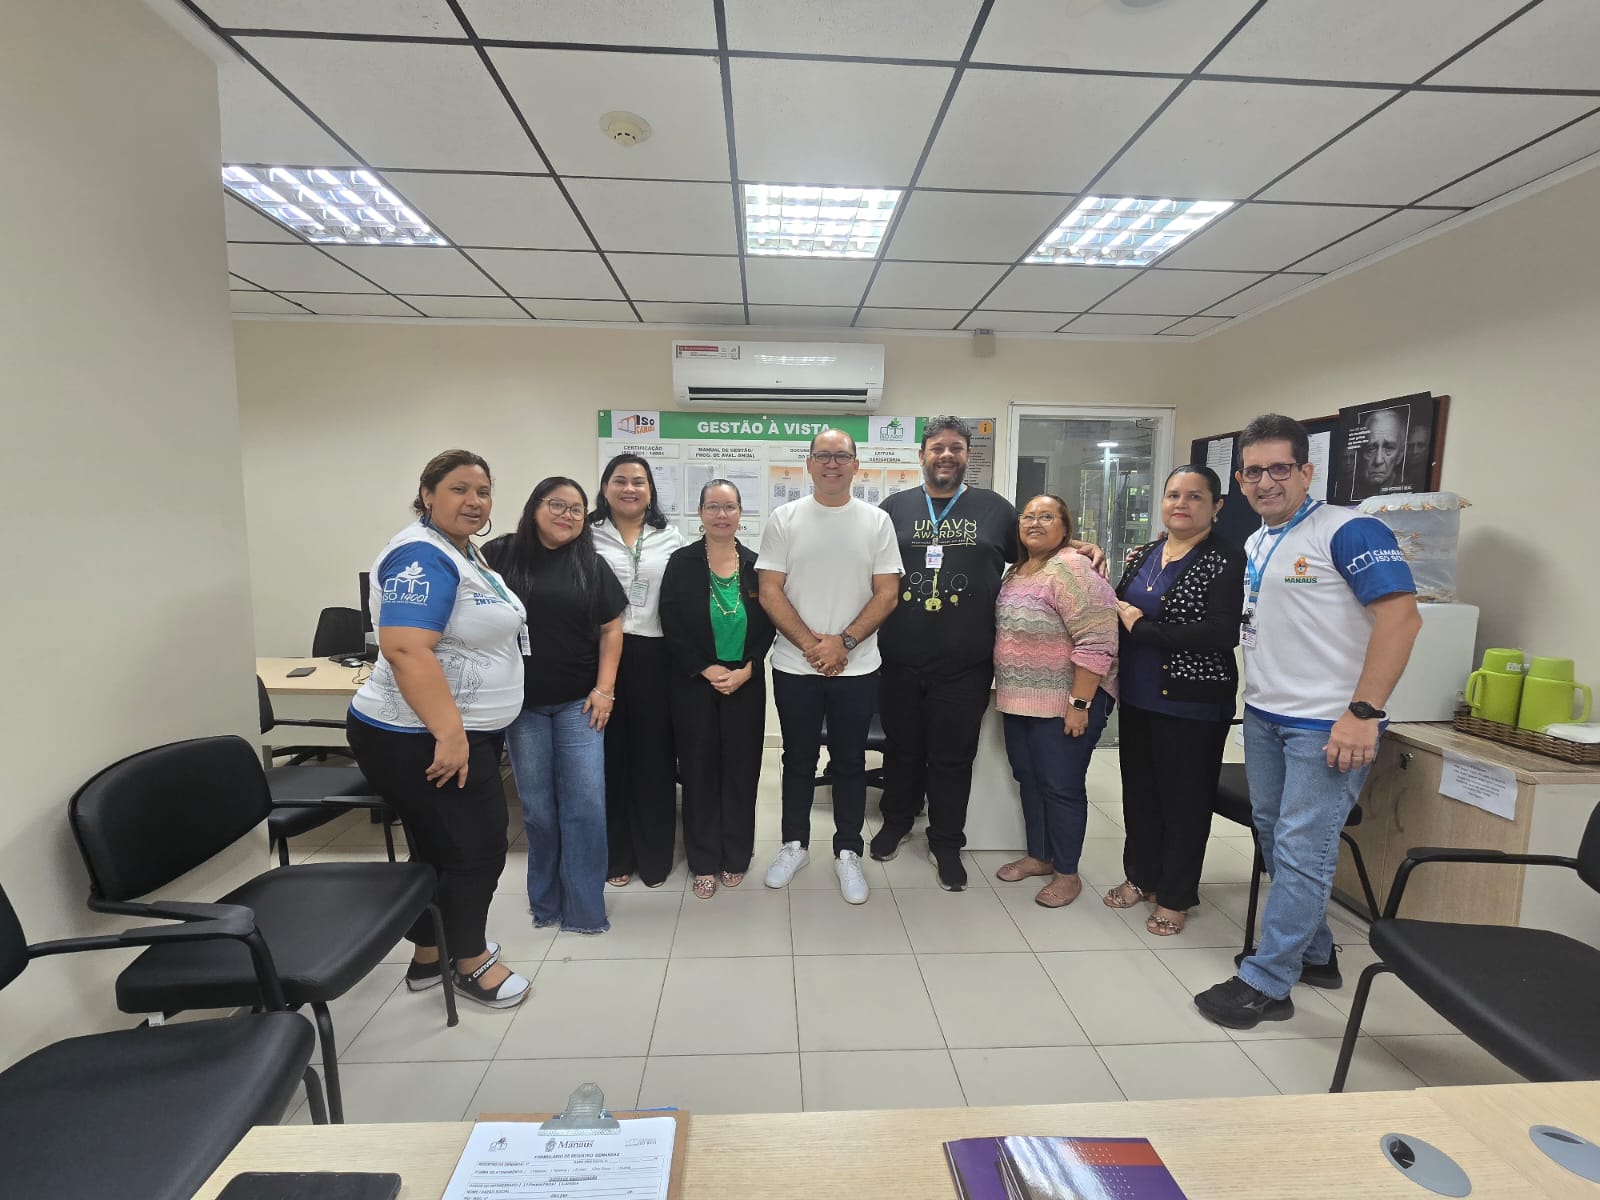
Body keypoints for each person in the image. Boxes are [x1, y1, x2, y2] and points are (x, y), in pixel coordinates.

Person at [1194, 413, 1420, 1030]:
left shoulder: (1348, 530)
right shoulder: (1257, 540)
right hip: (1266, 714)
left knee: (1302, 848)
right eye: (1253, 472)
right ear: (1240, 480)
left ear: (1306, 471)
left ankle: (1267, 981)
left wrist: (1363, 712)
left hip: (1327, 724)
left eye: (1279, 469)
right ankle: (1315, 953)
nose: (1265, 482)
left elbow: (1402, 619)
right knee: (1274, 836)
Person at [872, 416, 1109, 890]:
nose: (946, 455)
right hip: (899, 659)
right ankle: (896, 822)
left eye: (956, 448)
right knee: (901, 750)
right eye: (937, 447)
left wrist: (1081, 545)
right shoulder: (893, 508)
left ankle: (945, 841)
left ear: (967, 456)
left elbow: (1039, 544)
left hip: (965, 666)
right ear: (922, 455)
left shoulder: (995, 510)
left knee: (953, 758)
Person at [345, 449, 531, 1009]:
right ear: (427, 494)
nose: (474, 501)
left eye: (483, 491)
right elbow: (405, 648)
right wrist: (450, 736)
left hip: (447, 732)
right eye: (458, 489)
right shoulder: (421, 556)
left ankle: (430, 954)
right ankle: (470, 961)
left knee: (437, 848)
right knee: (479, 850)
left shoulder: (461, 550)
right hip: (423, 736)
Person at [757, 428, 901, 904]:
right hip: (794, 666)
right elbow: (769, 590)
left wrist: (844, 643)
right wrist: (814, 647)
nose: (832, 463)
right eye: (823, 455)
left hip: (857, 667)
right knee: (797, 759)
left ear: (856, 464)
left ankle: (848, 850)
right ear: (809, 463)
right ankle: (794, 845)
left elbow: (887, 593)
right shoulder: (785, 518)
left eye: (841, 456)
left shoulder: (876, 521)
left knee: (850, 761)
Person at [1108, 465, 1245, 936]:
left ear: (1216, 506)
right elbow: (1118, 605)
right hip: (1139, 696)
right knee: (1139, 794)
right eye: (1172, 495)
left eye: (1194, 496)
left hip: (1192, 704)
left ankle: (1175, 894)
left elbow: (1221, 632)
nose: (1181, 504)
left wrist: (1143, 629)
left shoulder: (1226, 558)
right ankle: (1141, 876)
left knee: (1184, 801)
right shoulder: (1146, 553)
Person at [484, 478, 625, 935]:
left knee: (585, 805)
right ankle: (545, 903)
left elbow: (612, 629)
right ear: (535, 507)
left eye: (577, 509)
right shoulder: (500, 555)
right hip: (521, 705)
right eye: (557, 505)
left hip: (579, 705)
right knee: (539, 810)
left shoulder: (591, 564)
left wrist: (605, 690)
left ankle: (585, 910)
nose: (567, 515)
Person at [993, 494, 1119, 909]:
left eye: (1047, 516)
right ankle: (1040, 856)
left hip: (1067, 703)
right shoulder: (1018, 570)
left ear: (1065, 527)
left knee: (1061, 787)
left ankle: (1067, 873)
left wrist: (1079, 705)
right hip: (1020, 701)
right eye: (1028, 516)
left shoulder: (1073, 568)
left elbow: (1098, 641)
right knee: (1029, 780)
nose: (1034, 522)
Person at [659, 480, 776, 900]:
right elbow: (670, 621)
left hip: (745, 682)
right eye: (713, 507)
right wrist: (704, 667)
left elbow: (770, 622)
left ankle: (736, 856)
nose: (721, 515)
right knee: (699, 771)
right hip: (695, 683)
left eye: (729, 507)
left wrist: (749, 667)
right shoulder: (682, 562)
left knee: (741, 771)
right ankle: (704, 860)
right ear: (700, 513)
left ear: (741, 512)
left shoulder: (757, 565)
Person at [589, 453, 686, 888]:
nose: (629, 489)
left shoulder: (671, 537)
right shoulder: (586, 536)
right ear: (605, 487)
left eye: (639, 482)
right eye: (620, 480)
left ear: (651, 490)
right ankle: (617, 855)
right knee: (609, 759)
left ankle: (654, 856)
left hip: (656, 656)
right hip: (600, 657)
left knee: (654, 759)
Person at [1356, 406, 1406, 496]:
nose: (1378, 460)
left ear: (1400, 455)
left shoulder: (1411, 495)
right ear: (1362, 453)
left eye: (1389, 448)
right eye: (1371, 449)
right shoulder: (1350, 491)